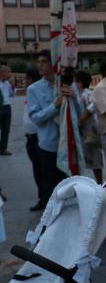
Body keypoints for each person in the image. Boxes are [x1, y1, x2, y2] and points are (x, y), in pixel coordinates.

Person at [27, 50, 81, 211]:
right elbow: (36, 118)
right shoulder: (33, 89)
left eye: (44, 61)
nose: (40, 65)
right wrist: (54, 106)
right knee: (50, 186)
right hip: (48, 145)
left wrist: (74, 98)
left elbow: (79, 113)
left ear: (53, 65)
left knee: (71, 185)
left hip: (68, 143)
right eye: (39, 62)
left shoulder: (68, 85)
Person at [74, 70, 103, 184]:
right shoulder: (79, 95)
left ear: (80, 83)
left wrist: (83, 117)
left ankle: (99, 183)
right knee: (92, 161)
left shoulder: (88, 94)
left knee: (95, 161)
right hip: (87, 133)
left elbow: (93, 106)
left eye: (75, 81)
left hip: (89, 132)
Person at [23, 69, 42, 205]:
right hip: (30, 136)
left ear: (30, 79)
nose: (24, 81)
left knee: (40, 170)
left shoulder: (34, 90)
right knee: (37, 168)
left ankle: (44, 198)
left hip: (38, 137)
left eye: (26, 78)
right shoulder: (31, 91)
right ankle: (42, 196)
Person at [0, 65, 15, 155]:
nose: (9, 75)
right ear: (2, 73)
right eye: (8, 72)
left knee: (6, 129)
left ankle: (3, 148)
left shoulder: (7, 83)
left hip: (7, 107)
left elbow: (12, 95)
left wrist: (12, 87)